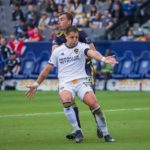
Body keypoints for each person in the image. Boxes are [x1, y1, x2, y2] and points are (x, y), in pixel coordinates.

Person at [26, 26, 118, 143]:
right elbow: (47, 69)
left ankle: (106, 134)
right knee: (66, 100)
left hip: (81, 82)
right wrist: (36, 84)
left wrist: (104, 59)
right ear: (66, 37)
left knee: (94, 104)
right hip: (66, 83)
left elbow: (92, 53)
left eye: (76, 37)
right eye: (72, 37)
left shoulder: (82, 47)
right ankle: (77, 130)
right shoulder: (57, 51)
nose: (74, 39)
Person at [51, 12, 103, 140]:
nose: (59, 21)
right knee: (69, 101)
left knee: (91, 102)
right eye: (58, 19)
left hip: (85, 71)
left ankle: (100, 125)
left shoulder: (81, 34)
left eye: (62, 19)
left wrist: (77, 58)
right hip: (68, 74)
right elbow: (54, 53)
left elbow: (93, 51)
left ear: (69, 21)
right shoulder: (58, 36)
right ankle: (78, 130)